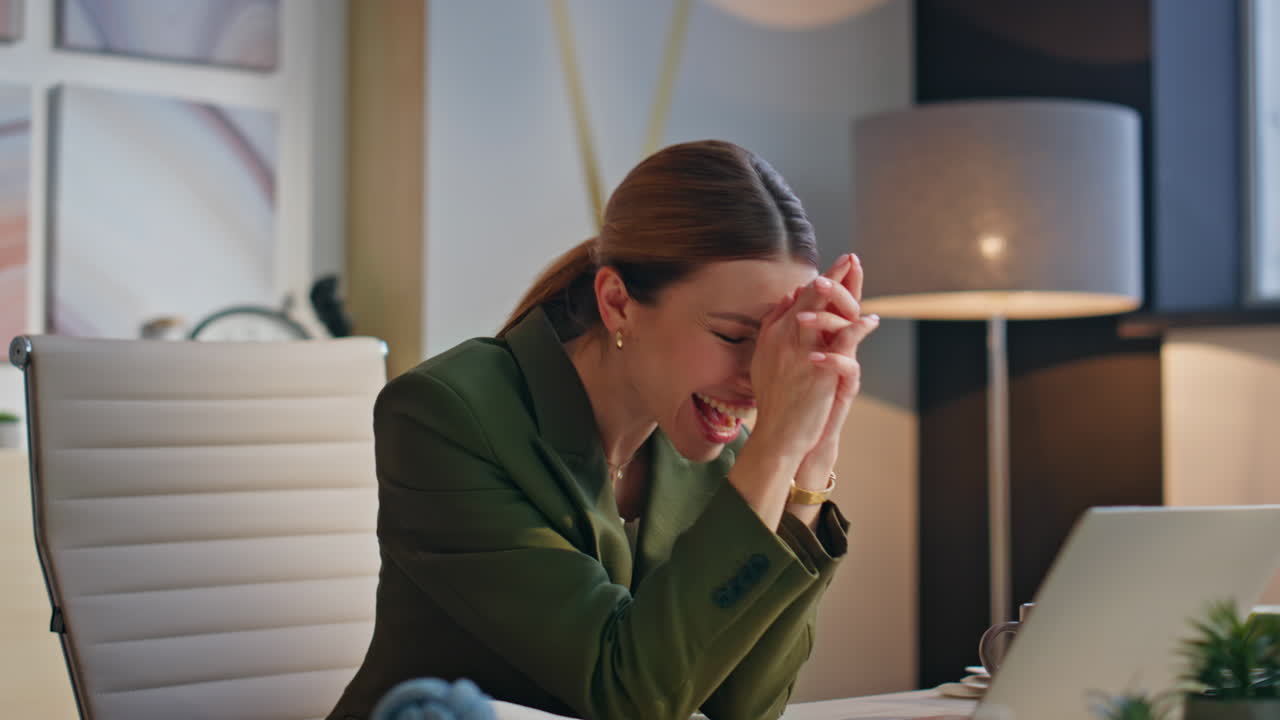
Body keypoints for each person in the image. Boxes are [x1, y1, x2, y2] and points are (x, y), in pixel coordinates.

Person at [328, 140, 880, 720]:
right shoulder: (445, 416)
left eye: (773, 345)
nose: (758, 380)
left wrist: (811, 462)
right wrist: (775, 451)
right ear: (617, 303)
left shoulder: (726, 459)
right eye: (734, 336)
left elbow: (744, 703)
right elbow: (625, 693)